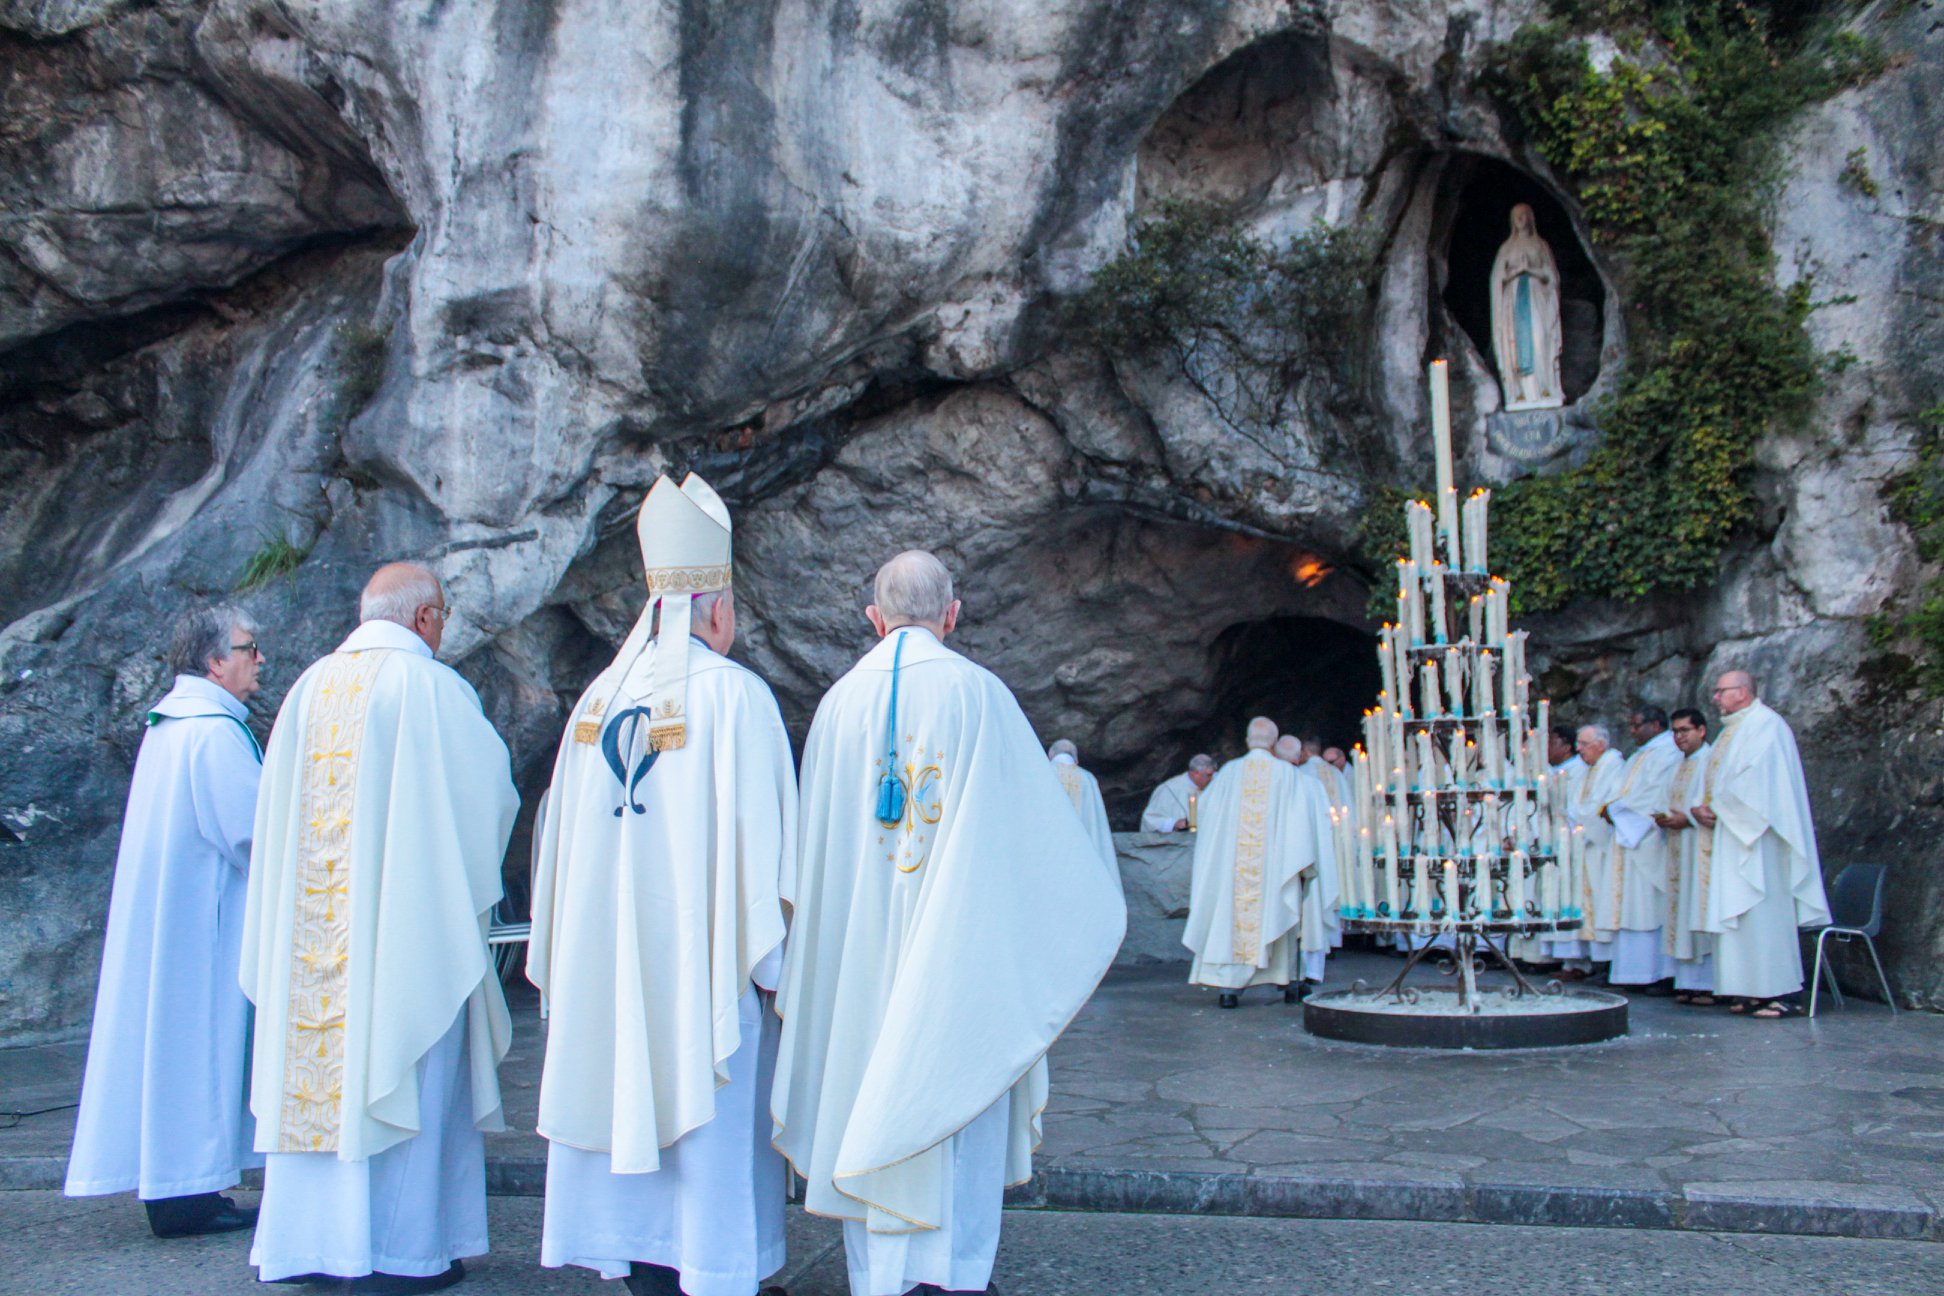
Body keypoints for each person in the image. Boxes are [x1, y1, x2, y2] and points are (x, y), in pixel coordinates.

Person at [771, 551, 1124, 1296]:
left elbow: (811, 857)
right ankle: (957, 1275)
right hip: (959, 962)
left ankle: (880, 1278)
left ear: (873, 618)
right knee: (956, 1083)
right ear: (952, 614)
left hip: (859, 963)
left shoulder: (836, 706)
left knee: (865, 1085)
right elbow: (1032, 844)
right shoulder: (982, 695)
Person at [528, 475, 795, 1296]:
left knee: (620, 1084)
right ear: (716, 610)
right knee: (709, 1117)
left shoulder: (592, 706)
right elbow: (769, 849)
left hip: (604, 962)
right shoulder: (739, 698)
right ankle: (713, 1268)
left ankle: (642, 1260)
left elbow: (555, 841)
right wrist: (777, 973)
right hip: (700, 966)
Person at [243, 564, 518, 1293]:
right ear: (426, 617)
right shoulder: (431, 689)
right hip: (404, 935)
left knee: (317, 1075)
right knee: (408, 1066)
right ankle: (402, 1253)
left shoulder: (306, 689)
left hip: (313, 947)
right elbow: (488, 797)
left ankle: (311, 1245)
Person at [65, 606, 266, 1238]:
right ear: (214, 662)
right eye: (247, 648)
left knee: (173, 1052)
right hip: (203, 927)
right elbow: (250, 833)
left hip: (175, 920)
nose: (258, 660)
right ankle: (187, 1194)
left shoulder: (174, 725)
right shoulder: (210, 731)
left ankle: (182, 1189)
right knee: (195, 1051)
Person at [1692, 671, 1832, 1019]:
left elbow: (1761, 785)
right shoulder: (1734, 728)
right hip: (1732, 834)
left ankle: (1780, 992)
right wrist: (1702, 807)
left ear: (1741, 692)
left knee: (1763, 914)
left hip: (1760, 841)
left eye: (1721, 691)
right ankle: (1750, 991)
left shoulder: (1767, 725)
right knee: (1741, 919)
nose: (1716, 698)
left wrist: (1718, 807)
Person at [1183, 717, 1332, 1009]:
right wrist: (1303, 866)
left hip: (1232, 870)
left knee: (1229, 918)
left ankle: (1228, 987)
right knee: (1275, 911)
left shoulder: (1228, 773)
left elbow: (1205, 812)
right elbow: (1299, 824)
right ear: (1274, 743)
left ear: (1248, 740)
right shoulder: (1287, 774)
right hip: (1273, 868)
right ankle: (1285, 979)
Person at [1598, 707, 1684, 991]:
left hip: (1648, 840)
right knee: (1631, 908)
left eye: (1637, 725)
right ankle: (1632, 974)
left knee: (1650, 908)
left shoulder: (1668, 752)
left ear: (1656, 725)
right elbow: (1623, 792)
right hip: (1628, 838)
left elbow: (1654, 796)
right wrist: (1612, 809)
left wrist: (1616, 811)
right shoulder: (1639, 755)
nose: (1632, 731)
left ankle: (1659, 973)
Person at [1551, 725, 1623, 977]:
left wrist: (1574, 816)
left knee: (1601, 900)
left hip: (1597, 846)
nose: (1579, 749)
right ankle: (1583, 960)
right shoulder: (1590, 769)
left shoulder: (1612, 765)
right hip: (1582, 842)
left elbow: (1601, 806)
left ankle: (1604, 961)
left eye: (1584, 744)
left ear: (1601, 745)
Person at [1654, 709, 1715, 1004]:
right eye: (1675, 731)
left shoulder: (1711, 760)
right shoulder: (1677, 764)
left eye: (1685, 730)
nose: (1680, 737)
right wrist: (1663, 818)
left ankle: (1707, 983)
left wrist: (1688, 820)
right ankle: (1687, 981)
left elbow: (1714, 803)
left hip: (1700, 846)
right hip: (1679, 846)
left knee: (1698, 908)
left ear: (1701, 731)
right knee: (1680, 910)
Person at [1048, 739, 1122, 896]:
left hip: (1050, 845)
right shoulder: (1088, 778)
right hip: (1085, 844)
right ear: (1076, 759)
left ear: (1050, 754)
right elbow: (1096, 818)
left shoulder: (1040, 774)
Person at [1140, 755, 1215, 832]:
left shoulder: (1215, 785)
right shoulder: (1168, 790)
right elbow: (1150, 820)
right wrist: (1174, 824)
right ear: (1195, 773)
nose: (1212, 778)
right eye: (1209, 775)